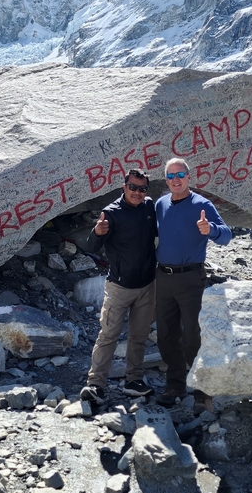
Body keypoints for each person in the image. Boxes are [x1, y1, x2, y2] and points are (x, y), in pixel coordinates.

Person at [155, 157, 232, 407]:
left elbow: (226, 236)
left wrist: (210, 229)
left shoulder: (202, 204)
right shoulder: (160, 204)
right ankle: (175, 386)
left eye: (180, 175)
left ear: (189, 177)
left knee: (193, 336)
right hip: (163, 277)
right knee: (166, 335)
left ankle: (202, 391)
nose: (175, 180)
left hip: (190, 277)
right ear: (165, 179)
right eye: (170, 176)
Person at [80, 169, 157, 405]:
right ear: (124, 187)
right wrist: (96, 232)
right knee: (108, 335)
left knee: (139, 336)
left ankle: (133, 380)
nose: (137, 192)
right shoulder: (111, 214)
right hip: (119, 287)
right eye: (133, 187)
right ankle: (96, 385)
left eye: (142, 189)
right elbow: (91, 247)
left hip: (147, 285)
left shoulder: (149, 207)